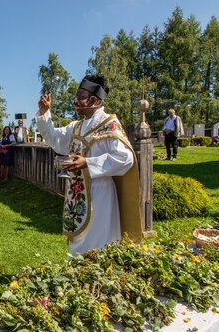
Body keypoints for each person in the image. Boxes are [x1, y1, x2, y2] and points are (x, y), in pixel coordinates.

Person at [36, 74, 142, 254]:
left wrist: (88, 163)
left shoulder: (109, 124)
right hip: (77, 191)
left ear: (94, 99)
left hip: (100, 192)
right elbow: (54, 138)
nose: (75, 101)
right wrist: (45, 113)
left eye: (80, 97)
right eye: (76, 97)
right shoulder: (76, 126)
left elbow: (125, 158)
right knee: (78, 240)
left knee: (98, 242)